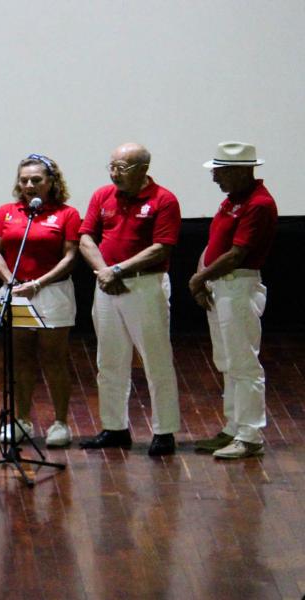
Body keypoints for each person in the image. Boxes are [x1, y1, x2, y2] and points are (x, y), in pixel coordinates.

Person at [78, 143, 181, 456]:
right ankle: (114, 427)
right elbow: (86, 238)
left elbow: (161, 248)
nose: (114, 173)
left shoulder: (164, 200)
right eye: (111, 166)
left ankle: (164, 431)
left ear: (143, 169)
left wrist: (118, 270)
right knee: (109, 360)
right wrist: (104, 272)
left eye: (122, 167)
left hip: (144, 286)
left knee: (156, 360)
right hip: (107, 286)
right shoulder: (102, 196)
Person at [189, 142, 277, 459]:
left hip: (238, 287)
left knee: (244, 364)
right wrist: (203, 275)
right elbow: (216, 244)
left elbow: (237, 254)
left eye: (220, 172)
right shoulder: (233, 202)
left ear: (241, 171)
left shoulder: (258, 204)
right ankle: (233, 427)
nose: (215, 179)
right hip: (221, 288)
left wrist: (200, 278)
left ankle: (250, 435)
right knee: (227, 362)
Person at [0, 154, 80, 447]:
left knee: (54, 359)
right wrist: (10, 280)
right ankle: (21, 420)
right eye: (24, 180)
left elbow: (71, 255)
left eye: (36, 180)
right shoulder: (8, 212)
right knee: (20, 359)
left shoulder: (67, 214)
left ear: (51, 182)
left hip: (52, 292)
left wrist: (39, 283)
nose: (29, 185)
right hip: (16, 291)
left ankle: (60, 423)